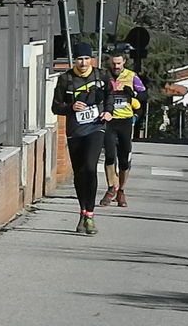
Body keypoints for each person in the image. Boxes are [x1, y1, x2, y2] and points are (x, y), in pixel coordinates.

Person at [52, 42, 114, 234]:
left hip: (96, 127)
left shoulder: (101, 75)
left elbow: (110, 95)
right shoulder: (66, 79)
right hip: (76, 130)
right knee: (79, 173)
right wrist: (70, 108)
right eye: (80, 59)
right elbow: (55, 107)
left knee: (89, 167)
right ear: (75, 60)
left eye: (87, 59)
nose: (84, 63)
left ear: (92, 59)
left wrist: (108, 112)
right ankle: (82, 212)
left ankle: (90, 215)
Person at [99, 52, 146, 208]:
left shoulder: (132, 76)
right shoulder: (104, 76)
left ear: (124, 62)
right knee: (110, 156)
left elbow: (144, 95)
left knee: (124, 159)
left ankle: (122, 190)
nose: (116, 66)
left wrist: (132, 95)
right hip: (109, 120)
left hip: (125, 121)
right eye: (113, 63)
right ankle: (111, 188)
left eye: (119, 63)